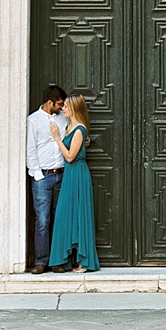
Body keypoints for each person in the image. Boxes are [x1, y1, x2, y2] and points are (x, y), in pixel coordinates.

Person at [47, 94, 100, 273]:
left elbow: (70, 156)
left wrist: (56, 138)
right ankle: (67, 258)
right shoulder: (71, 126)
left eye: (67, 107)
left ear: (75, 109)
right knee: (67, 215)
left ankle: (84, 262)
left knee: (79, 214)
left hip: (77, 174)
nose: (63, 109)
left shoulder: (79, 130)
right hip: (71, 175)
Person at [26, 84, 68, 273]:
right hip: (43, 176)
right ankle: (41, 261)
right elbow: (31, 149)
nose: (61, 107)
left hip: (61, 173)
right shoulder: (33, 120)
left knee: (59, 218)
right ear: (49, 102)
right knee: (42, 219)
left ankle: (57, 260)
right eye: (58, 104)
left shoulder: (63, 119)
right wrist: (37, 174)